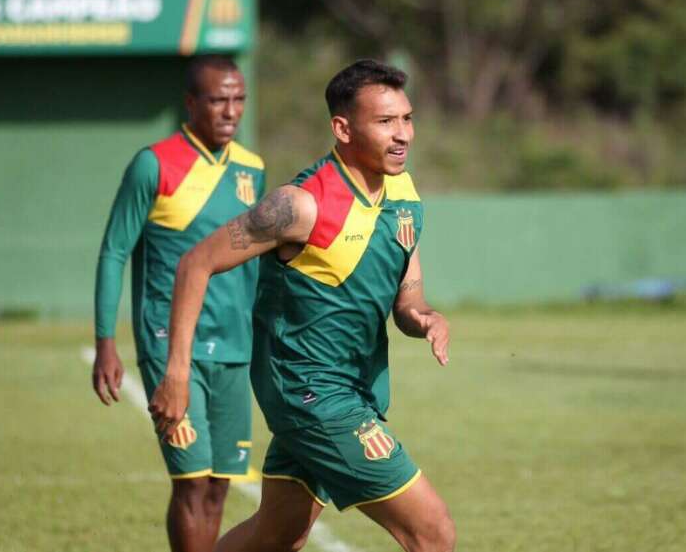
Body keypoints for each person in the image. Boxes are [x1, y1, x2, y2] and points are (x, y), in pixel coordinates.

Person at [150, 59, 457, 552]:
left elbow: (408, 293)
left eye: (407, 118)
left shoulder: (403, 191)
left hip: (356, 389)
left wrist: (424, 317)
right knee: (433, 533)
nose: (402, 134)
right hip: (311, 394)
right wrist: (177, 375)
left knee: (278, 534)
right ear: (342, 128)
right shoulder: (300, 206)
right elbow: (195, 264)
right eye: (385, 122)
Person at [91, 54, 265, 552]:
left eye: (238, 99)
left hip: (236, 348)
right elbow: (114, 251)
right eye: (218, 100)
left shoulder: (252, 168)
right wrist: (106, 343)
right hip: (173, 350)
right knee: (190, 481)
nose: (230, 111)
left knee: (218, 486)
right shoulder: (153, 164)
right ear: (191, 103)